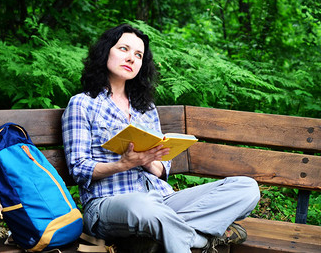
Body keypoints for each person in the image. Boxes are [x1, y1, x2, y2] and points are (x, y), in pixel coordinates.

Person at [62, 24, 260, 253]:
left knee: (246, 188)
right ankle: (201, 240)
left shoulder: (145, 109)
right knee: (144, 207)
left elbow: (163, 167)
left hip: (161, 199)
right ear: (106, 51)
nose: (131, 58)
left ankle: (162, 231)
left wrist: (146, 160)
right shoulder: (82, 104)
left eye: (138, 55)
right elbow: (78, 168)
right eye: (124, 49)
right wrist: (122, 165)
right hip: (109, 203)